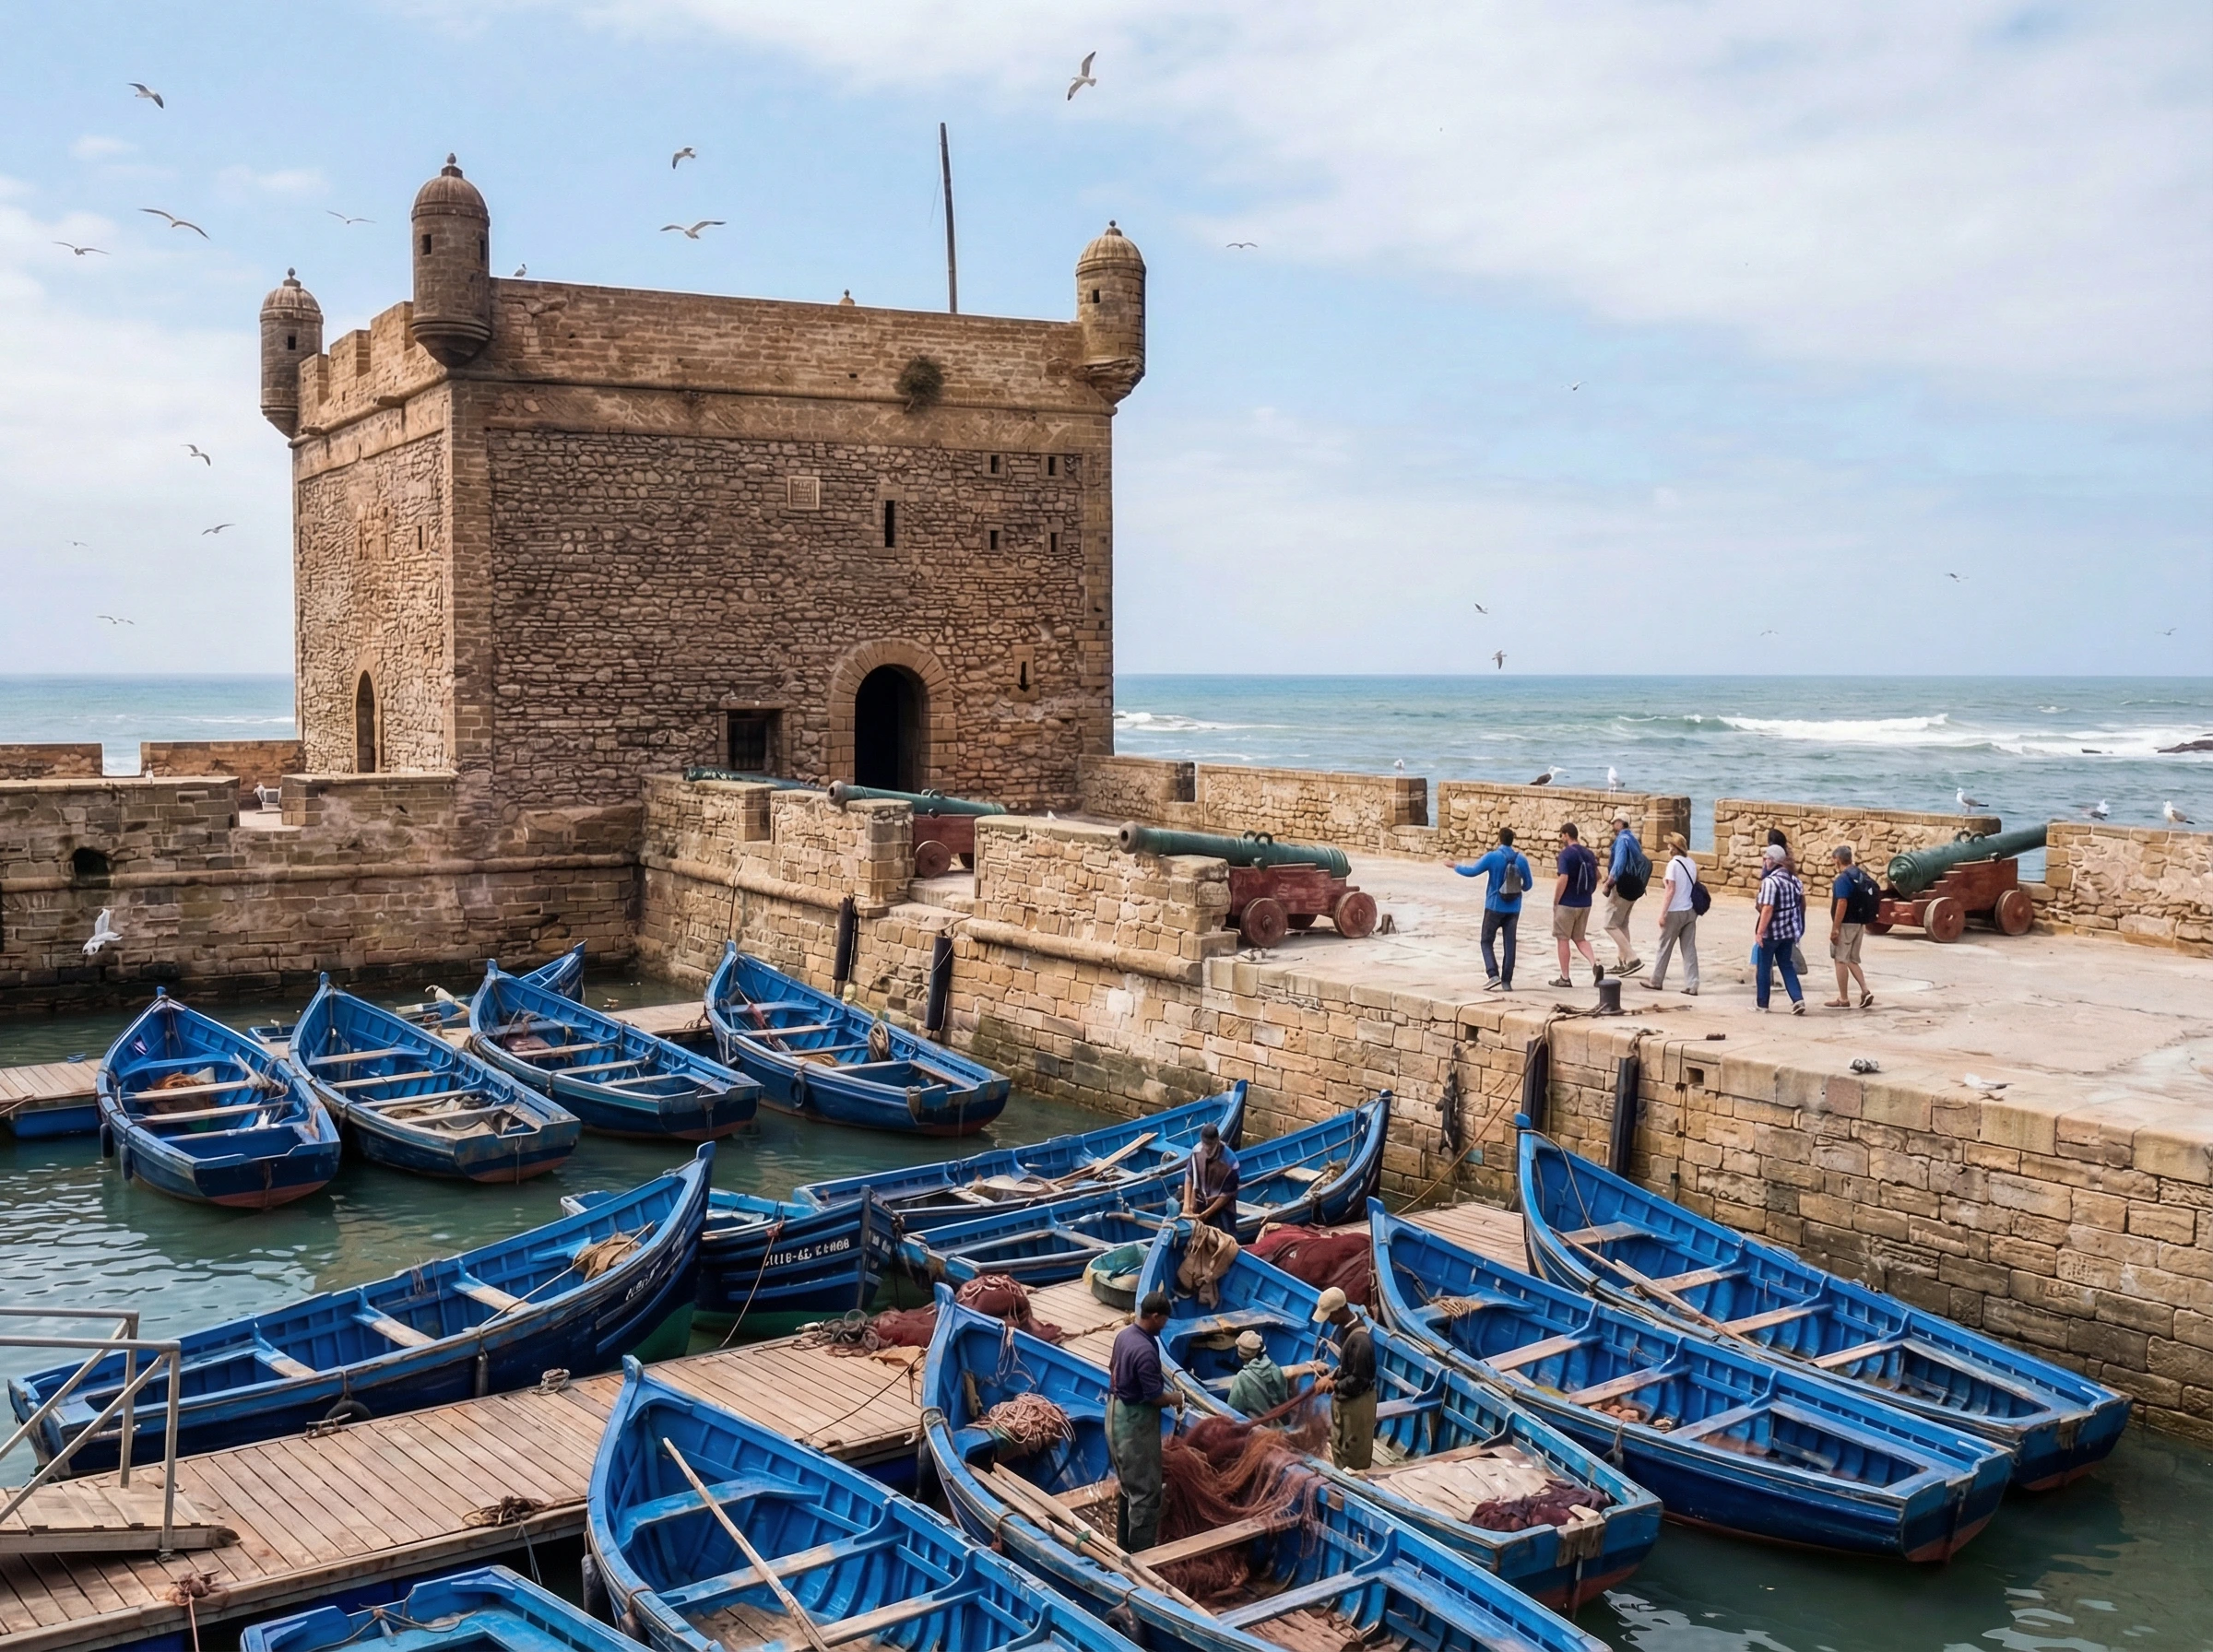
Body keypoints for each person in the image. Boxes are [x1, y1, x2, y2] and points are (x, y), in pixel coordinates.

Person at [1106, 1291, 1178, 1552]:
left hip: (1114, 1415)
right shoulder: (1146, 1351)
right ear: (1156, 1317)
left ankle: (1123, 1547)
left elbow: (1113, 1367)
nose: (1166, 1325)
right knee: (1146, 1494)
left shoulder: (1125, 1335)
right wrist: (1177, 1398)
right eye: (1165, 1320)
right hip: (1134, 1427)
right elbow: (1155, 1397)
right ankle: (1141, 1558)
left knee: (1128, 1487)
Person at [1451, 826, 1533, 991]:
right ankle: (1506, 982)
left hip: (1494, 906)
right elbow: (1528, 884)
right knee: (1510, 944)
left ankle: (1492, 974)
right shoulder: (1521, 859)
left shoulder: (1493, 857)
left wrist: (1455, 866)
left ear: (1499, 839)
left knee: (1486, 940)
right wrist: (1518, 889)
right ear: (1513, 840)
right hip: (1514, 908)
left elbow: (1472, 871)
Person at [1311, 1285, 1377, 1469]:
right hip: (1348, 1400)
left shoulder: (1360, 1342)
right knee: (1340, 1445)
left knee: (1352, 1456)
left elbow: (1359, 1380)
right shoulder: (1347, 1327)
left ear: (1340, 1310)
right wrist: (1335, 1375)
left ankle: (1350, 1487)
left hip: (1358, 1404)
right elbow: (1348, 1367)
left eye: (1330, 1315)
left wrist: (1333, 1384)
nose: (1329, 1320)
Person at [1643, 831, 1700, 996]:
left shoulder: (1673, 864)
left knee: (1664, 946)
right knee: (1689, 948)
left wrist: (1662, 913)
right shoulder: (1690, 862)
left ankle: (1656, 980)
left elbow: (1670, 890)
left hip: (1675, 910)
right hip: (1690, 910)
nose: (1668, 848)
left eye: (1670, 845)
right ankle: (1692, 983)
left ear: (1675, 848)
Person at [1754, 843, 1805, 1014]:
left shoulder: (1771, 882)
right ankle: (1797, 999)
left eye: (1766, 859)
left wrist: (1760, 932)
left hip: (1772, 931)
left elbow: (1767, 908)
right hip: (1788, 931)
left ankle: (1762, 1004)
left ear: (1773, 861)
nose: (1764, 862)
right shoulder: (1794, 880)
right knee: (1786, 965)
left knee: (1764, 966)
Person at [1550, 823, 1603, 988]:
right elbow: (1598, 876)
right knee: (1580, 938)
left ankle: (1565, 977)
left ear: (1566, 835)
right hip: (1585, 902)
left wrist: (1556, 901)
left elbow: (1563, 878)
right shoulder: (1588, 853)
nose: (1561, 839)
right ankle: (1594, 964)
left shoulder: (1566, 854)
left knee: (1563, 938)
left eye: (1561, 835)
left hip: (1567, 903)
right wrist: (1588, 894)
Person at [1828, 844, 1877, 1010]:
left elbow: (1842, 902)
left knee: (1840, 960)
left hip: (1846, 924)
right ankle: (1865, 991)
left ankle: (1843, 998)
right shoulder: (1860, 874)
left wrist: (1835, 928)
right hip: (1859, 923)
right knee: (1851, 959)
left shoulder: (1843, 879)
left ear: (1837, 859)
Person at [1601, 811, 1647, 977]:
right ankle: (1623, 961)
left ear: (1621, 823)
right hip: (1635, 886)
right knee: (1622, 923)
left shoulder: (1621, 840)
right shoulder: (1634, 840)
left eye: (1615, 823)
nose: (1613, 826)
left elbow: (1619, 864)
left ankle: (1633, 958)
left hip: (1622, 887)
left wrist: (1609, 883)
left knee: (1609, 923)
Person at [1183, 1124, 1240, 1236]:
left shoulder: (1231, 1162)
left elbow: (1226, 1195)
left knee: (1224, 1237)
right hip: (1200, 1200)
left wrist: (1206, 1214)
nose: (1207, 1148)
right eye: (1205, 1144)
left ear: (1218, 1141)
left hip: (1221, 1207)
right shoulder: (1196, 1152)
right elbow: (1189, 1177)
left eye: (1211, 1145)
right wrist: (1186, 1205)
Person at [1225, 1328, 1288, 1417]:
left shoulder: (1241, 1378)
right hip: (1276, 1421)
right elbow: (1283, 1399)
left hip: (1257, 1425)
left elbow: (1233, 1408)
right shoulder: (1275, 1369)